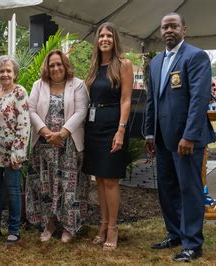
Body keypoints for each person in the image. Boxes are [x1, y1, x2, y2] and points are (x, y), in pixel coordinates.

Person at [145, 13, 216, 262]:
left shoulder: (195, 57)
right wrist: (149, 132)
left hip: (187, 140)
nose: (168, 30)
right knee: (167, 189)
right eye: (164, 27)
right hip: (163, 139)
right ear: (160, 31)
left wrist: (189, 136)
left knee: (189, 190)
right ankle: (174, 234)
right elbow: (152, 100)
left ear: (184, 29)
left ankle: (193, 244)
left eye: (173, 26)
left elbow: (199, 100)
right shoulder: (155, 62)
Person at [27, 49, 90, 243]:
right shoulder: (39, 85)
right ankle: (49, 224)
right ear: (47, 67)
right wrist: (46, 133)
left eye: (59, 64)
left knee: (68, 186)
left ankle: (69, 227)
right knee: (45, 187)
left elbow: (81, 111)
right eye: (52, 65)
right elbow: (30, 109)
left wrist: (62, 133)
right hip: (44, 146)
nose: (55, 68)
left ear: (66, 65)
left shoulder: (78, 85)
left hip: (68, 145)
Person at [82, 22, 133, 251]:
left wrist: (121, 130)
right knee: (99, 179)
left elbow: (126, 100)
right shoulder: (93, 67)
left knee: (111, 179)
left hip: (113, 124)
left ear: (115, 40)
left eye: (109, 36)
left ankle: (113, 227)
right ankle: (102, 225)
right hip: (93, 125)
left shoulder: (123, 64)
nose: (104, 39)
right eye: (101, 35)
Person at [0, 55, 30, 244]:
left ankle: (13, 229)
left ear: (15, 74)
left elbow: (24, 123)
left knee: (13, 191)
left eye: (8, 71)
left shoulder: (19, 92)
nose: (4, 74)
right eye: (1, 71)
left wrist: (18, 152)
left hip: (13, 150)